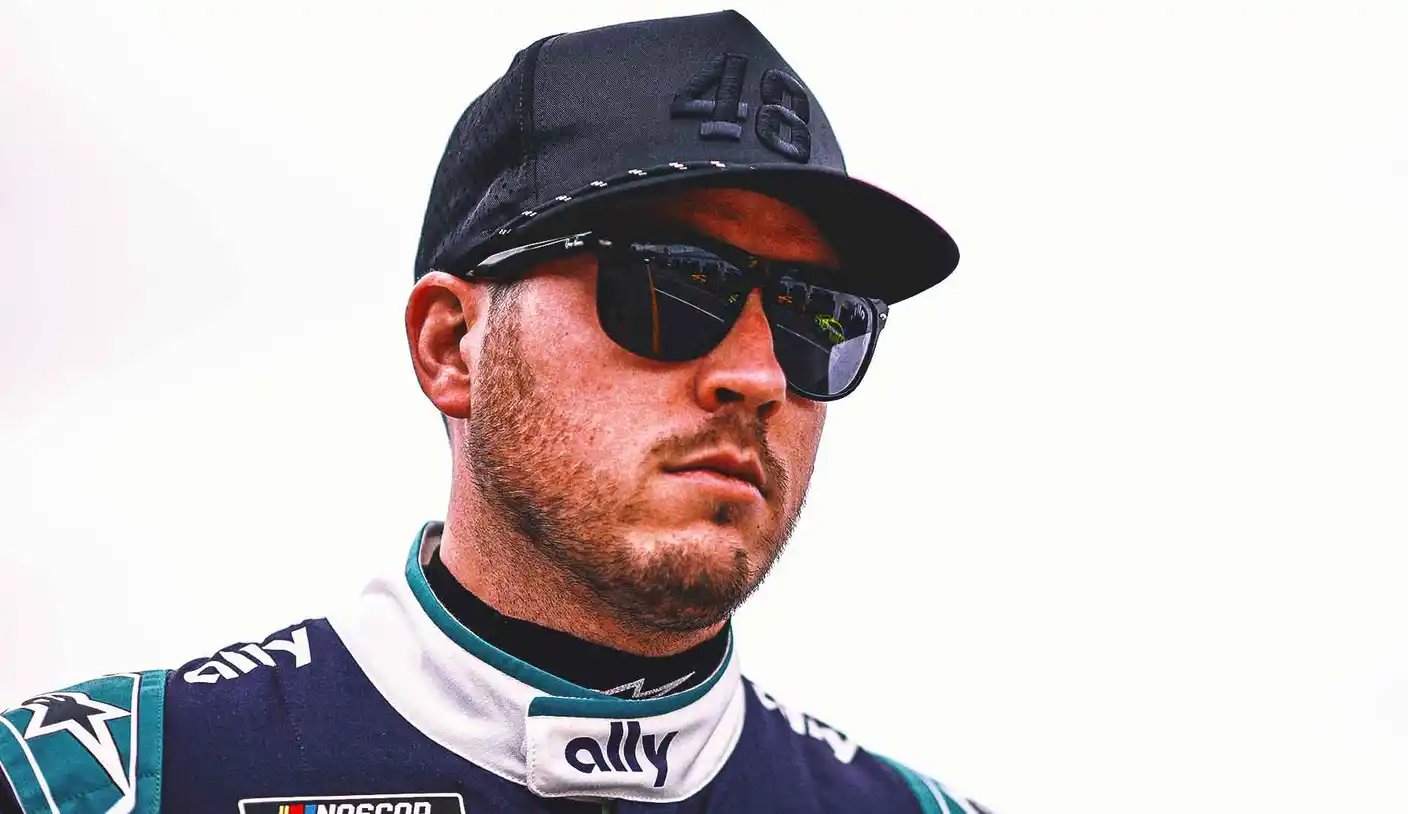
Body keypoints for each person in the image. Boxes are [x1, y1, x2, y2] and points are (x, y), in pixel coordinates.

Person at [0, 11, 991, 813]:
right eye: (674, 282)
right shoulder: (88, 786)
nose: (761, 374)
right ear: (450, 346)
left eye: (817, 314)